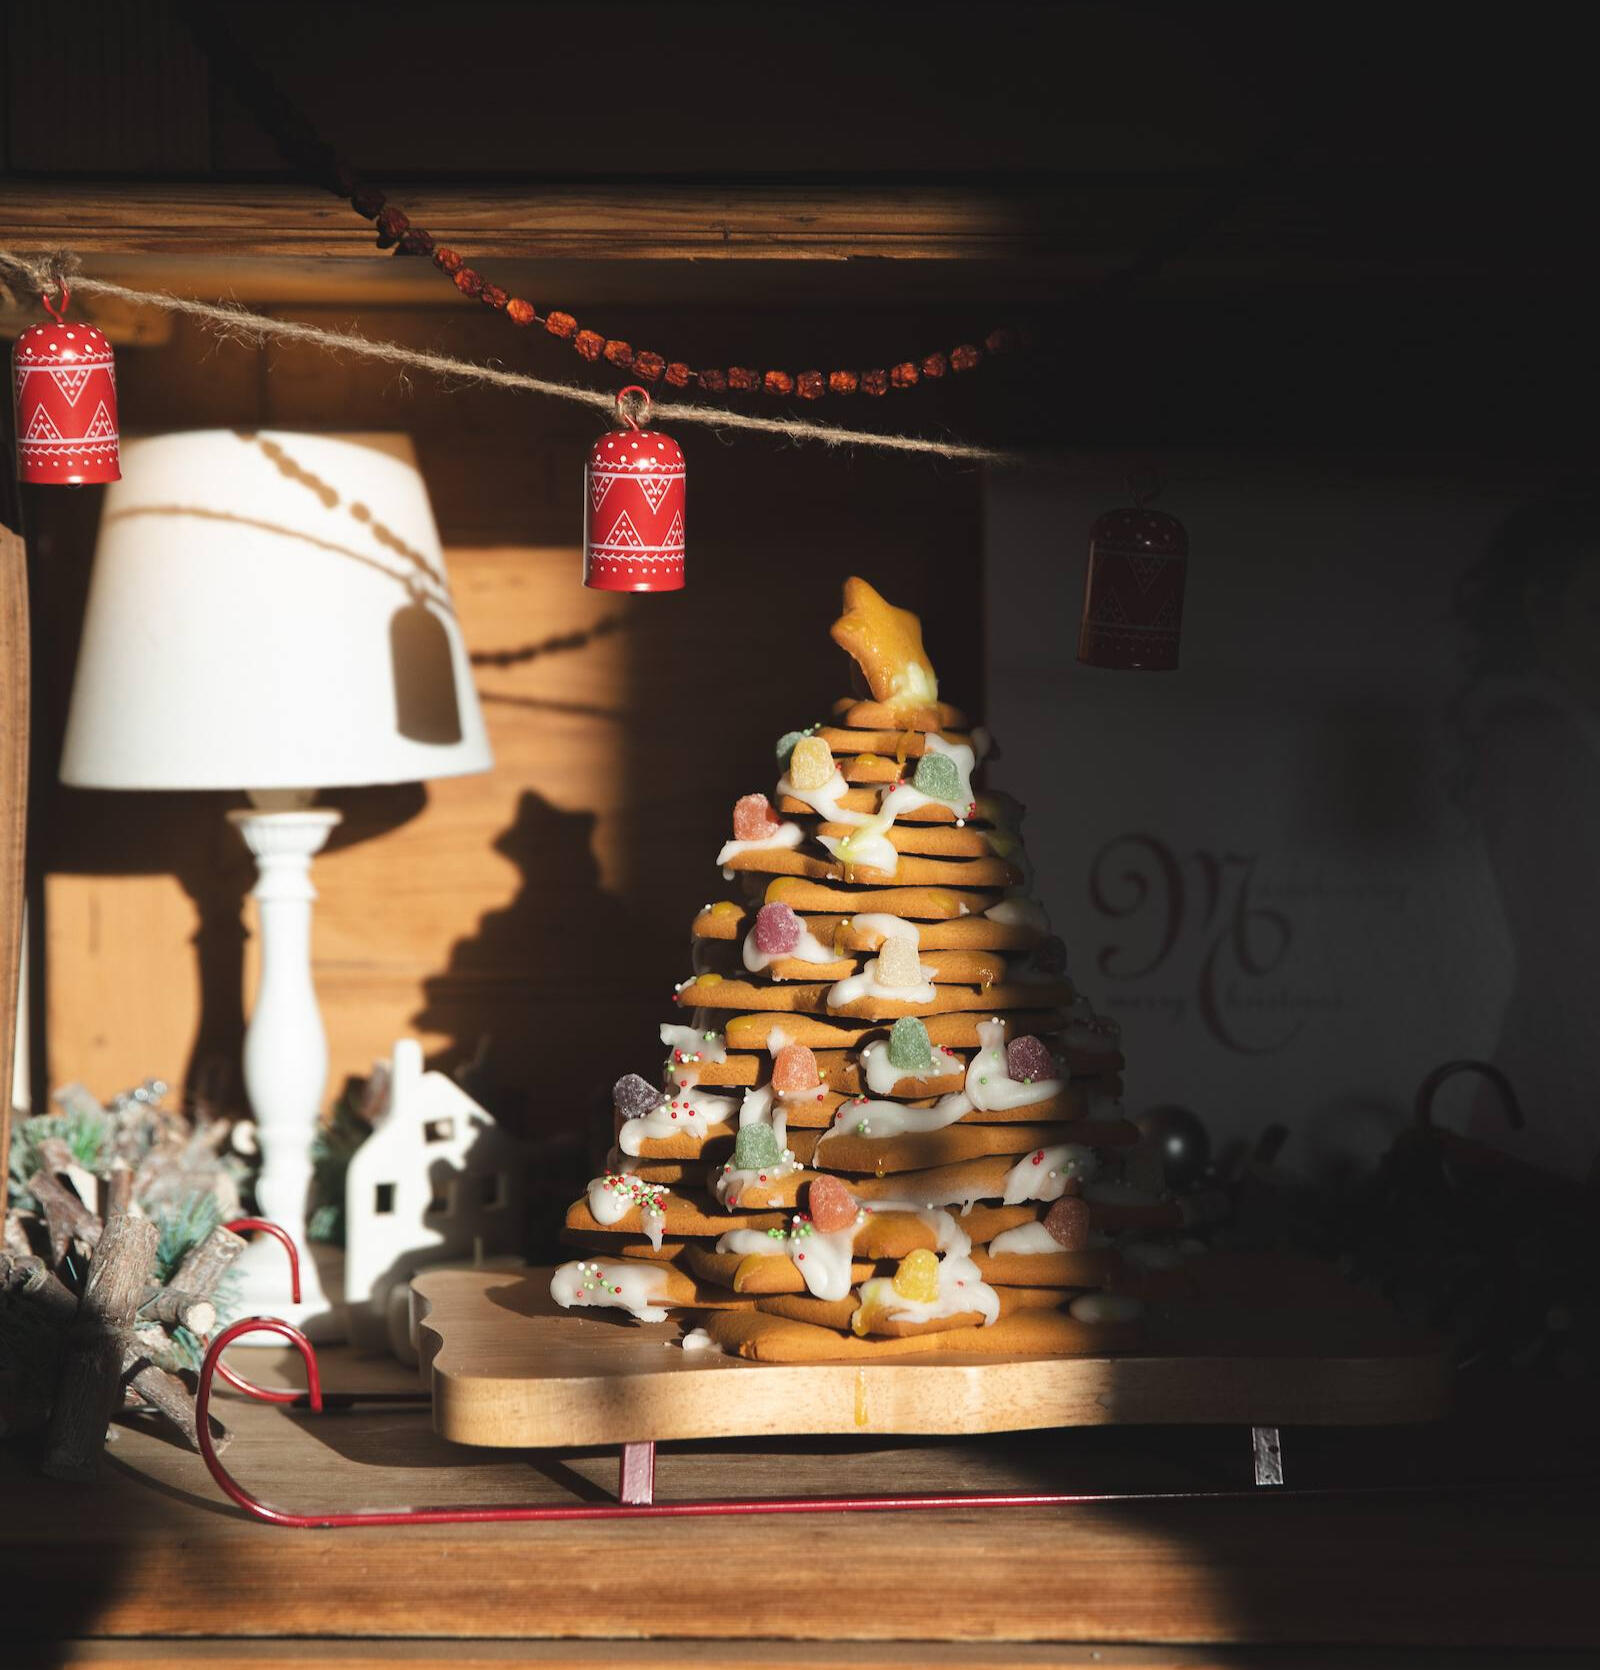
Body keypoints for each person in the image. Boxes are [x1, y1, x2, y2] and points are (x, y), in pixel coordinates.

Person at [1455, 493, 1600, 1180]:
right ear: (1542, 610)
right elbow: (1573, 943)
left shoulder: (1545, 737)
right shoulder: (1537, 743)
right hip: (1558, 1107)